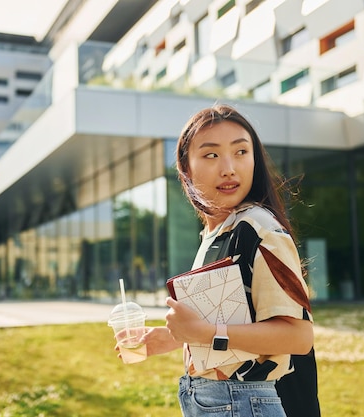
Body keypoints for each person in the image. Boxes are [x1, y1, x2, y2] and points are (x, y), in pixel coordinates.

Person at [126, 104, 320, 417]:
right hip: (212, 399)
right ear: (185, 169)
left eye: (241, 152)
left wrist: (203, 333)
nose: (229, 168)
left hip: (244, 402)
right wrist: (177, 337)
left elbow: (299, 336)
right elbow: (237, 323)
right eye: (211, 154)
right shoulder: (217, 233)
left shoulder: (258, 228)